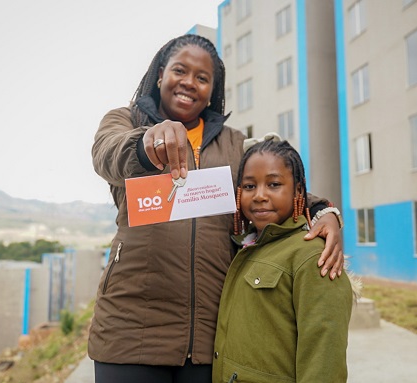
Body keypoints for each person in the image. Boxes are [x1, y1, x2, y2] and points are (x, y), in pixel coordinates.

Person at [89, 34, 345, 383]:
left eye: (202, 78)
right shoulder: (126, 122)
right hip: (130, 330)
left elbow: (272, 184)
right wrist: (146, 144)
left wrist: (322, 210)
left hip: (209, 337)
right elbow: (107, 154)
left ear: (213, 90)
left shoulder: (235, 143)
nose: (189, 83)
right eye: (180, 70)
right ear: (161, 73)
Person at [212, 139, 353, 383]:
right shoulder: (246, 248)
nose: (259, 196)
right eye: (249, 186)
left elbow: (324, 357)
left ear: (299, 191)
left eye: (274, 184)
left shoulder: (312, 256)